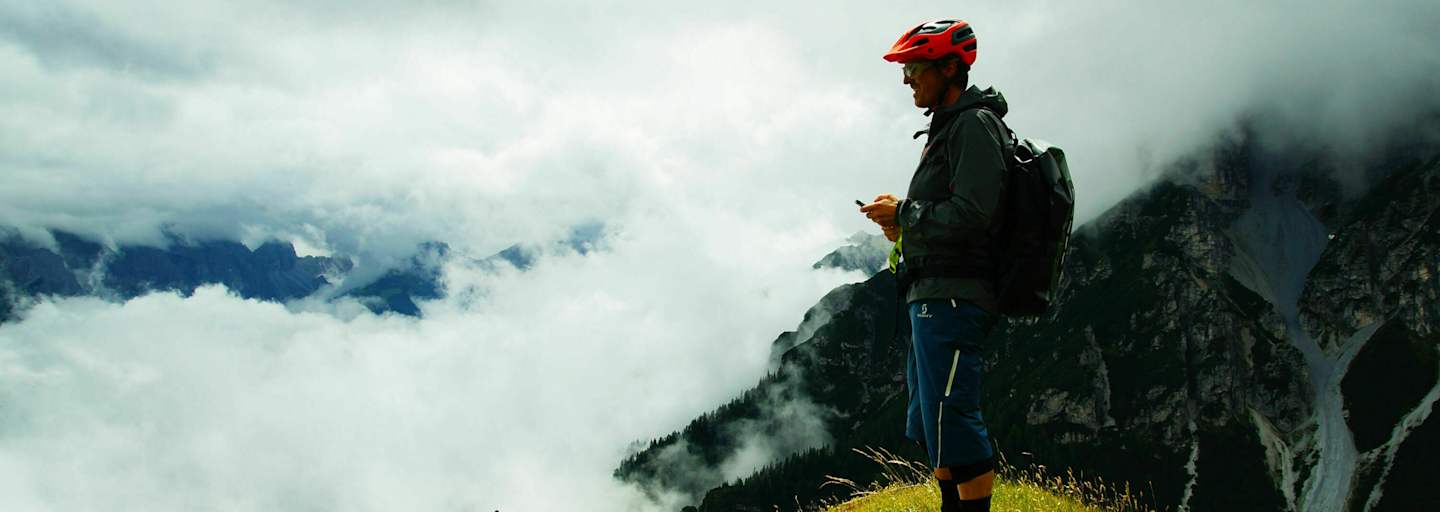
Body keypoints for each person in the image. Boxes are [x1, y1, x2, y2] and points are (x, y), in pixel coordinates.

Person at [859, 18, 1009, 512]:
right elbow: (948, 214)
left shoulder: (974, 126)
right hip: (930, 294)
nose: (907, 80)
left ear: (950, 67)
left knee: (954, 416)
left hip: (955, 296)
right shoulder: (949, 128)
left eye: (915, 68)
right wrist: (901, 221)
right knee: (930, 421)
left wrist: (904, 213)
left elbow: (975, 215)